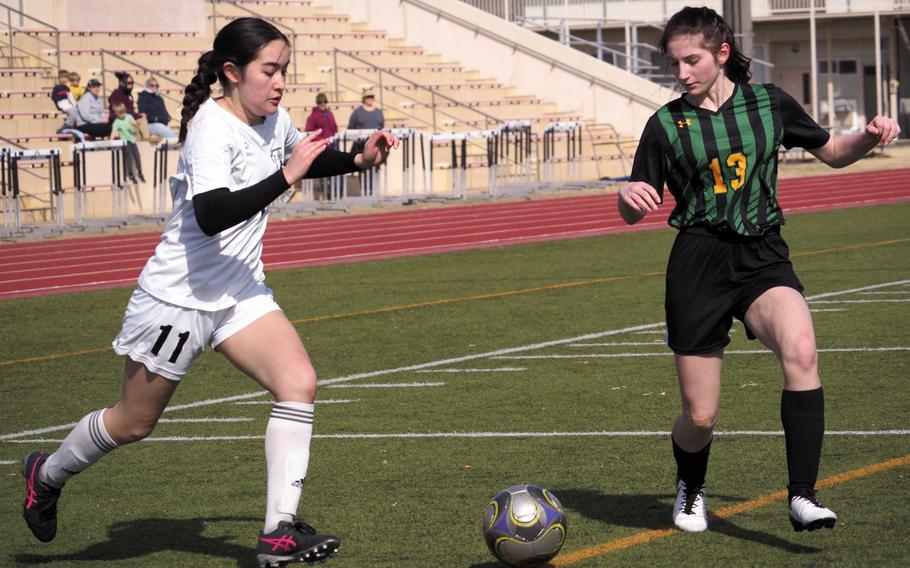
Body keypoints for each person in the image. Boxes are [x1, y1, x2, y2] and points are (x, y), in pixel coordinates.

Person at [20, 16, 398, 568]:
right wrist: (287, 176)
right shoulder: (210, 128)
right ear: (231, 71)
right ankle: (46, 474)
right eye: (269, 71)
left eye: (283, 71)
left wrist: (360, 156)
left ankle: (278, 533)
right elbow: (212, 212)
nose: (279, 83)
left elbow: (306, 159)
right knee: (133, 422)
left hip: (239, 291)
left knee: (299, 382)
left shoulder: (276, 120)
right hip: (179, 298)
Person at [617, 6, 900, 535]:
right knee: (700, 417)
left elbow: (834, 151)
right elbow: (637, 205)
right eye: (673, 64)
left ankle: (802, 496)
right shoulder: (664, 126)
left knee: (802, 350)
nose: (681, 74)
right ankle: (691, 485)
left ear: (722, 54)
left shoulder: (769, 104)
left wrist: (868, 134)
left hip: (762, 254)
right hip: (698, 262)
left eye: (692, 60)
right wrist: (627, 199)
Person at [110, 102, 145, 184]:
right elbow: (113, 131)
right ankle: (130, 174)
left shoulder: (129, 117)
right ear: (117, 113)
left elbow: (136, 127)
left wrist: (134, 125)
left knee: (137, 156)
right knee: (129, 157)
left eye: (123, 112)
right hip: (124, 141)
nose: (123, 115)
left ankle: (140, 172)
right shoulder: (117, 121)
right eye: (120, 113)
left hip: (132, 140)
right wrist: (111, 142)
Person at [346, 90, 384, 154]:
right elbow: (351, 128)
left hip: (376, 146)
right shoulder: (357, 112)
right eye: (368, 97)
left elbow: (382, 126)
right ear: (363, 98)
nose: (370, 98)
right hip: (360, 147)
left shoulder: (379, 112)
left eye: (371, 96)